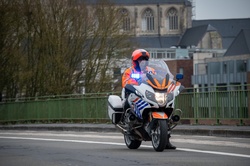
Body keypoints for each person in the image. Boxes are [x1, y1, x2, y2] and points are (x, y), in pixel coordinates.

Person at [121, 49, 176, 149]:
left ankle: (165, 140)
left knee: (164, 108)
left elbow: (159, 78)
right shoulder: (129, 71)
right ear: (135, 61)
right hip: (133, 92)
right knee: (128, 100)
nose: (142, 61)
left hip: (148, 92)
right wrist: (132, 81)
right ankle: (128, 123)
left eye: (144, 59)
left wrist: (168, 80)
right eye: (140, 59)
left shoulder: (151, 70)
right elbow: (125, 82)